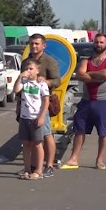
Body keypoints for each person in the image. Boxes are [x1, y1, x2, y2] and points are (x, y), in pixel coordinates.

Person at [62, 34, 106, 170]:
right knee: (79, 130)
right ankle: (74, 158)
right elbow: (80, 74)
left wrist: (89, 75)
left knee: (103, 132)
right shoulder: (86, 61)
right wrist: (95, 76)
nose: (98, 44)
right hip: (86, 101)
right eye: (96, 42)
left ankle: (99, 160)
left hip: (102, 103)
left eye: (101, 42)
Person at [19, 33, 61, 178]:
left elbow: (57, 81)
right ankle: (30, 166)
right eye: (32, 43)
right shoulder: (25, 62)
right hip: (27, 104)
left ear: (44, 45)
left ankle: (49, 165)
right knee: (28, 140)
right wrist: (19, 105)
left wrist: (46, 81)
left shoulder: (50, 61)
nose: (34, 46)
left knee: (47, 134)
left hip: (43, 104)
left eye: (37, 43)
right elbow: (22, 83)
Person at [14, 58, 50, 180]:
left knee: (37, 144)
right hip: (25, 117)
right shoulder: (24, 82)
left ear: (37, 71)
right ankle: (27, 169)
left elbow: (46, 100)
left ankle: (38, 170)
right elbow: (16, 90)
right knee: (26, 144)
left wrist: (41, 116)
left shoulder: (41, 84)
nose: (28, 71)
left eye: (31, 69)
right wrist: (20, 77)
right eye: (26, 69)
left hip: (36, 117)